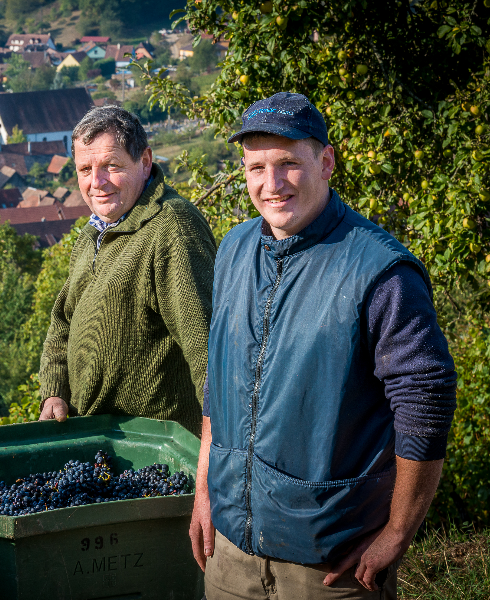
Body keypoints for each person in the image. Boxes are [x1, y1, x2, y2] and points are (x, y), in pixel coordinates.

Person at [191, 92, 457, 599]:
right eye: (256, 168)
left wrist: (397, 534)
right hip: (231, 557)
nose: (271, 185)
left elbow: (426, 403)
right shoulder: (232, 250)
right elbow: (218, 382)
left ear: (326, 161)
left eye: (289, 163)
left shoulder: (379, 271)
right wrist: (205, 493)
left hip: (329, 567)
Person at [38, 106, 216, 435]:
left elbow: (208, 352)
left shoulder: (171, 228)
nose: (96, 182)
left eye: (111, 166)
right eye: (85, 169)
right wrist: (54, 391)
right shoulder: (94, 232)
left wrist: (216, 453)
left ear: (145, 162)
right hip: (100, 443)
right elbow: (63, 321)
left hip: (159, 449)